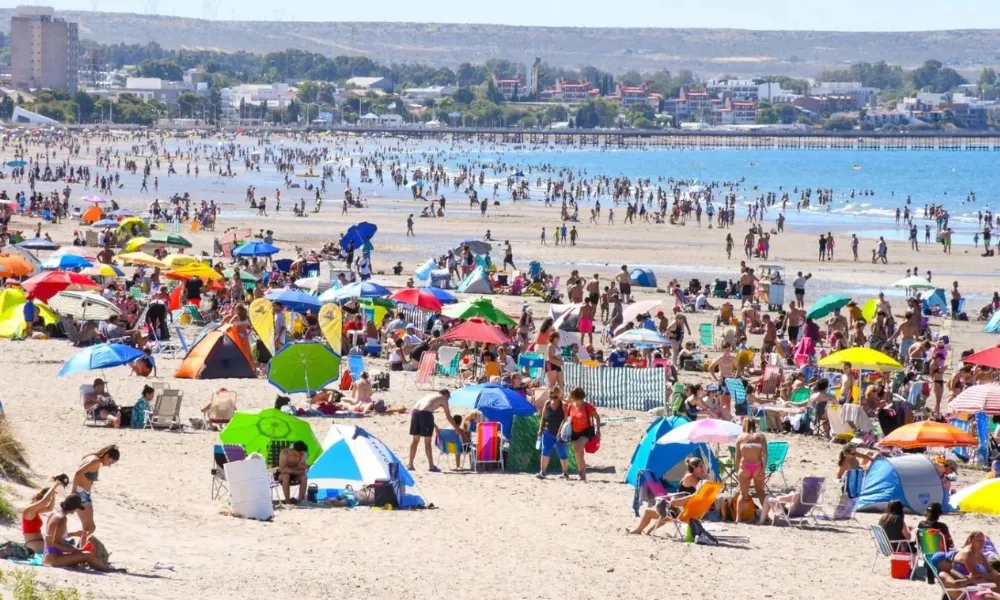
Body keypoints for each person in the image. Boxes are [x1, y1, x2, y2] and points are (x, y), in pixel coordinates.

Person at [630, 457, 708, 535]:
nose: (702, 468)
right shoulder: (691, 477)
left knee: (650, 512)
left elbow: (700, 493)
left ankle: (639, 530)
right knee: (666, 512)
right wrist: (705, 477)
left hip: (682, 511)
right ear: (694, 467)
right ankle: (648, 531)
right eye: (700, 466)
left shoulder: (692, 477)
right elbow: (702, 492)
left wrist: (704, 477)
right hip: (685, 511)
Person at [42, 494, 118, 572]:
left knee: (83, 554)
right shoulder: (62, 519)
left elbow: (53, 536)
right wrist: (76, 550)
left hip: (49, 555)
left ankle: (101, 566)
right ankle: (106, 569)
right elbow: (56, 544)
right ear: (74, 508)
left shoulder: (54, 514)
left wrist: (74, 534)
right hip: (53, 558)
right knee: (88, 555)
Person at [72, 445, 120, 542]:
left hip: (83, 494)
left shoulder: (91, 457)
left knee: (88, 528)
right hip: (81, 495)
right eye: (110, 462)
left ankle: (81, 549)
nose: (110, 465)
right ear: (106, 456)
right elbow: (78, 473)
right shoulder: (95, 461)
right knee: (90, 528)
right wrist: (74, 492)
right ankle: (81, 551)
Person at [407, 390, 457, 472]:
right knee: (427, 441)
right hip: (425, 415)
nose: (447, 401)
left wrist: (435, 425)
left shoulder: (430, 395)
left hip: (415, 413)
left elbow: (424, 410)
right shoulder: (443, 398)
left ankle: (410, 464)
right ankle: (431, 466)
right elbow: (448, 416)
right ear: (446, 395)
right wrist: (457, 429)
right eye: (448, 398)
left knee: (415, 440)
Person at [929, 551, 1000, 600]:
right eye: (947, 559)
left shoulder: (951, 570)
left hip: (972, 592)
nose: (951, 560)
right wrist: (970, 580)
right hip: (966, 596)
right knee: (989, 597)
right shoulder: (942, 574)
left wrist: (972, 579)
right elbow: (954, 584)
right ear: (941, 565)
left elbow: (965, 578)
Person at [734, 419, 767, 523]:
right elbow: (765, 454)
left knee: (742, 494)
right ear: (755, 425)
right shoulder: (761, 437)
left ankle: (738, 519)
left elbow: (737, 457)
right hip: (757, 466)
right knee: (761, 492)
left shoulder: (740, 438)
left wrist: (737, 469)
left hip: (744, 467)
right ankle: (766, 517)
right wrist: (763, 468)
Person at [566, 387, 600, 481]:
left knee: (578, 449)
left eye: (580, 399)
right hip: (574, 432)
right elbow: (566, 419)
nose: (578, 401)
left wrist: (598, 431)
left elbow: (597, 417)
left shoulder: (587, 406)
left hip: (585, 432)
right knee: (579, 453)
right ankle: (582, 472)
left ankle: (581, 472)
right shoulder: (570, 406)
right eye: (576, 399)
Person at [22, 479, 63, 553]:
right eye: (47, 500)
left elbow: (49, 508)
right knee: (61, 550)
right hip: (33, 544)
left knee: (64, 548)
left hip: (38, 542)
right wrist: (54, 486)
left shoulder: (35, 511)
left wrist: (52, 495)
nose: (46, 503)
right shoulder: (27, 511)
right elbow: (44, 502)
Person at [537, 386, 570, 479]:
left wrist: (560, 432)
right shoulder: (547, 403)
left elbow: (565, 419)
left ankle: (565, 472)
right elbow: (543, 417)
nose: (553, 399)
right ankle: (542, 472)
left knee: (562, 452)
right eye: (552, 396)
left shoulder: (563, 405)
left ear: (559, 397)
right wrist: (540, 429)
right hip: (547, 431)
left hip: (560, 434)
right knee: (545, 452)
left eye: (555, 397)